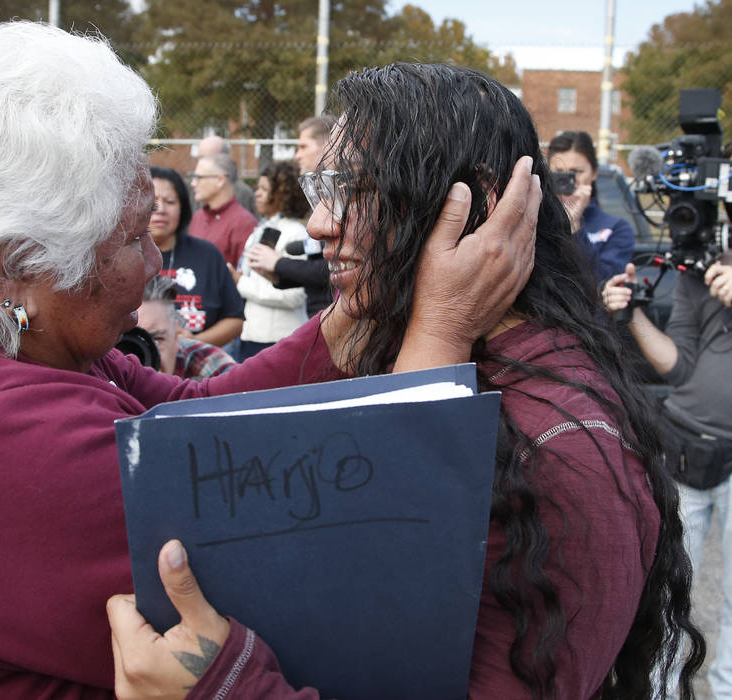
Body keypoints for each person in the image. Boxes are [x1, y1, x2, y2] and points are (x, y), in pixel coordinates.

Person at [0, 23, 538, 698]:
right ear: (12, 265)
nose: (155, 266)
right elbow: (379, 582)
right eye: (133, 237)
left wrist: (360, 301)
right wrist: (438, 327)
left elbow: (206, 417)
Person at [107, 63, 705, 700]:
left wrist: (225, 687)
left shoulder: (563, 441)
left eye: (352, 187)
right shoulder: (419, 341)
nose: (318, 224)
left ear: (468, 206)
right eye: (319, 188)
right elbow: (195, 411)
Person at [604, 257, 732, 698]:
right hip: (685, 446)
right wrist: (633, 312)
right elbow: (677, 366)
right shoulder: (700, 273)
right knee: (671, 586)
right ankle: (658, 690)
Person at [248, 116, 335, 318]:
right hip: (319, 314)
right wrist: (279, 276)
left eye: (303, 147)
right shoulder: (323, 193)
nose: (297, 156)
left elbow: (332, 266)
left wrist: (279, 264)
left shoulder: (342, 194)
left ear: (328, 146)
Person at [150, 166, 244, 347]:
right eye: (153, 202)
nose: (161, 209)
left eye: (170, 201)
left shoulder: (207, 254)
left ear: (182, 207)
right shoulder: (121, 255)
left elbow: (235, 319)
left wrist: (193, 343)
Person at [235, 160, 311, 360]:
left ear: (282, 194)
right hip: (251, 334)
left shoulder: (295, 233)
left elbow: (295, 295)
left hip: (277, 338)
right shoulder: (260, 229)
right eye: (257, 188)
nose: (257, 194)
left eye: (264, 189)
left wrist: (240, 282)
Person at [547, 130, 634, 284]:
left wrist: (574, 225)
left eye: (576, 172)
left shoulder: (615, 228)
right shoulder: (536, 221)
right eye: (559, 173)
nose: (567, 180)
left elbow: (605, 283)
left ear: (594, 173)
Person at [138, 275, 236, 380]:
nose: (144, 356)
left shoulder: (212, 367)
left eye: (157, 339)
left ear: (176, 336)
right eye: (133, 342)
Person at [188, 153, 258, 268]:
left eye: (199, 177)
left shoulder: (244, 223)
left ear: (220, 180)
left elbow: (245, 275)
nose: (193, 183)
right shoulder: (198, 217)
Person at [197, 135, 258, 218]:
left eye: (209, 159)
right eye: (201, 158)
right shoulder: (193, 189)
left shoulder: (242, 193)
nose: (202, 163)